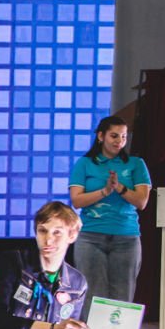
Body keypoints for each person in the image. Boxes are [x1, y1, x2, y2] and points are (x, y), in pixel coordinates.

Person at [68, 116, 152, 303]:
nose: (119, 141)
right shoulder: (85, 163)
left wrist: (119, 187)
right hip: (91, 237)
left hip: (126, 238)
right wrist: (104, 191)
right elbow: (77, 201)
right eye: (114, 136)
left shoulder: (136, 163)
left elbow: (142, 202)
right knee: (92, 298)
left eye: (123, 137)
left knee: (122, 299)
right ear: (101, 136)